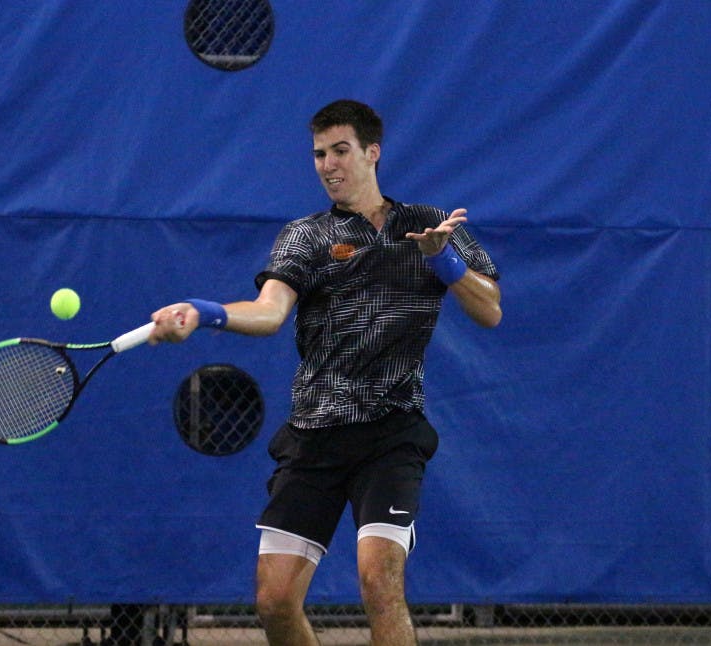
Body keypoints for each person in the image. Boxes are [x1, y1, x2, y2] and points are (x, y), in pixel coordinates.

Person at [148, 99, 501, 646]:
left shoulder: (430, 225)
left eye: (340, 151)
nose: (328, 165)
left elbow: (491, 309)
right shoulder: (306, 235)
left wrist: (444, 259)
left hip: (391, 432)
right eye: (318, 154)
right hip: (314, 435)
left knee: (378, 579)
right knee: (274, 601)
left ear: (372, 152)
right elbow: (268, 312)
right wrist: (204, 312)